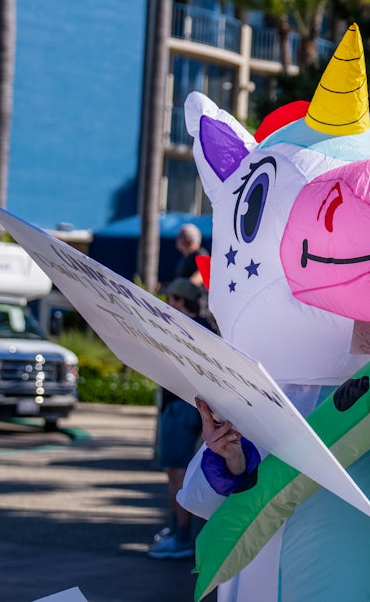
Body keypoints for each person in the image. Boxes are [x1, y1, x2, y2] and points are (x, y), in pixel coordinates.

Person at [147, 277, 210, 559]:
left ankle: (181, 536)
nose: (168, 304)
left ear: (181, 301)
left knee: (177, 473)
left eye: (171, 299)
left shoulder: (188, 329)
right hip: (186, 406)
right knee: (176, 472)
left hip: (182, 407)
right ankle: (176, 532)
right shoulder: (202, 328)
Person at [174, 223, 209, 288]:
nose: (177, 239)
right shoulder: (186, 257)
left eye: (180, 236)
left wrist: (183, 287)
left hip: (198, 297)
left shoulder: (200, 254)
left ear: (187, 239)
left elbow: (202, 274)